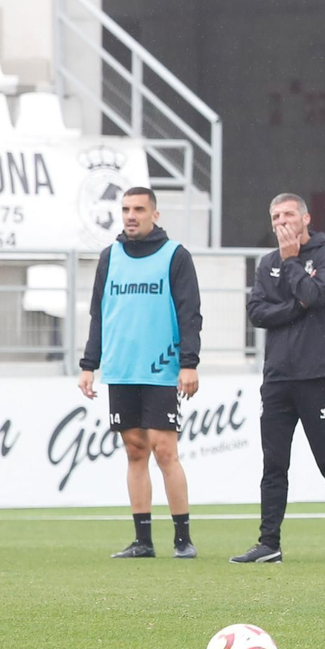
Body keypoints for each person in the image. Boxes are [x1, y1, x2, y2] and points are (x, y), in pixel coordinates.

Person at [234, 193, 325, 564]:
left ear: (306, 218)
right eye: (275, 216)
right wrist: (295, 307)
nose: (281, 222)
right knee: (274, 463)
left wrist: (292, 266)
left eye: (288, 214)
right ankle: (268, 543)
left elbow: (315, 294)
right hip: (276, 377)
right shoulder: (266, 263)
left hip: (318, 375)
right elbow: (257, 313)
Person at [78, 186, 202, 559]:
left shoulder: (175, 256)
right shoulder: (109, 257)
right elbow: (99, 314)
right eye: (126, 209)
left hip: (161, 369)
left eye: (139, 209)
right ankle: (142, 541)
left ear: (155, 215)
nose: (131, 215)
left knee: (165, 451)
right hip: (121, 368)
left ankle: (182, 538)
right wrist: (89, 365)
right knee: (134, 451)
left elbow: (189, 312)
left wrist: (189, 362)